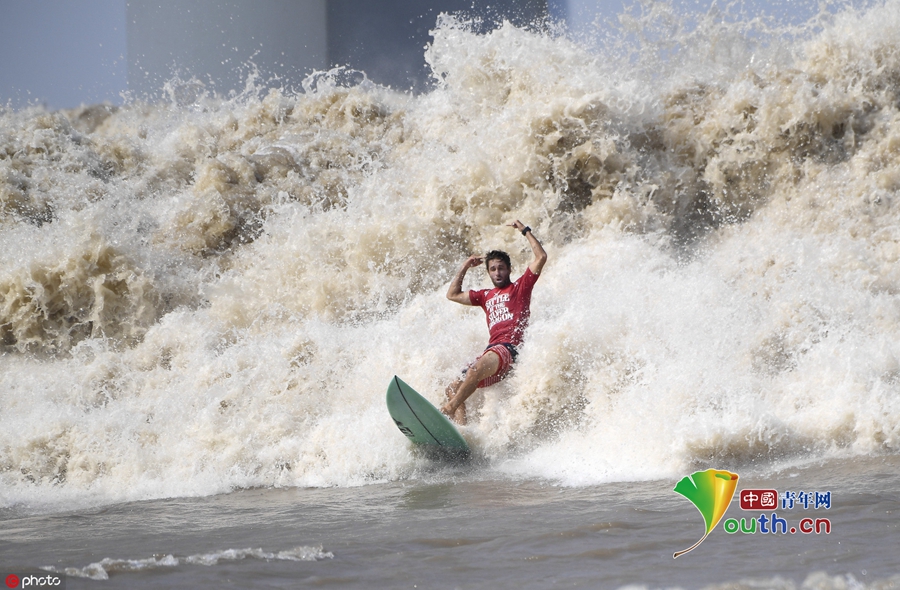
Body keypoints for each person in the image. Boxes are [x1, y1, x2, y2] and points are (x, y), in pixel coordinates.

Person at [441, 220, 548, 424]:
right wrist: (465, 266)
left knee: (473, 371)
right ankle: (461, 433)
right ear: (488, 272)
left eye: (501, 268)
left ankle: (449, 408)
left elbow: (541, 257)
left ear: (509, 270)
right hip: (492, 352)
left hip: (509, 350)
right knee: (452, 388)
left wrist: (525, 231)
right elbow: (452, 294)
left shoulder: (520, 287)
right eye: (493, 269)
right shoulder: (485, 295)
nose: (497, 273)